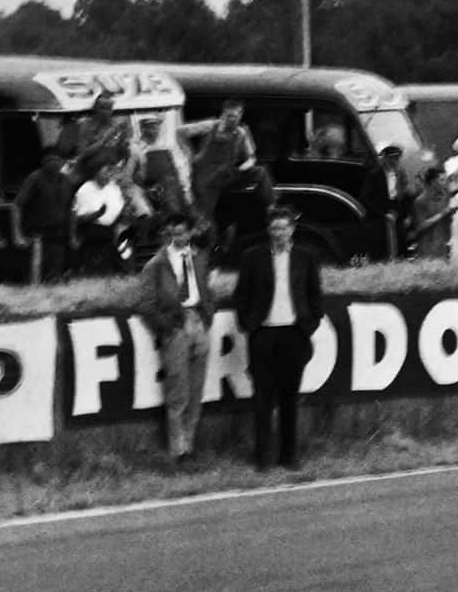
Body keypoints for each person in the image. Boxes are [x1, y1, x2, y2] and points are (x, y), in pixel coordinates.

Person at [233, 204, 324, 470]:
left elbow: (315, 295)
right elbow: (242, 294)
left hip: (294, 333)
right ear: (268, 230)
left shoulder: (306, 257)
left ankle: (289, 454)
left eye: (283, 228)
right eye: (274, 228)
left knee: (289, 397)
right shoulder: (253, 257)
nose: (279, 233)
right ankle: (263, 456)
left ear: (292, 230)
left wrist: (310, 324)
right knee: (262, 397)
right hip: (263, 333)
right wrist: (248, 324)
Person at [136, 212, 218, 462]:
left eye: (182, 232)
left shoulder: (199, 259)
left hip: (197, 321)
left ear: (191, 232)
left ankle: (189, 444)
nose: (178, 237)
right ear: (167, 234)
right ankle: (177, 448)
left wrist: (206, 317)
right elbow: (146, 304)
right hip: (176, 324)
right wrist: (167, 328)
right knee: (177, 390)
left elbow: (207, 292)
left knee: (196, 387)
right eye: (173, 233)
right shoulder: (156, 264)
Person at [184, 99, 257, 250]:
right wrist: (190, 154)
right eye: (230, 115)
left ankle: (209, 246)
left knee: (207, 213)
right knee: (200, 211)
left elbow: (251, 157)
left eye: (236, 116)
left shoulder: (241, 133)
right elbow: (180, 132)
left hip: (223, 174)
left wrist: (243, 167)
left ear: (241, 115)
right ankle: (202, 245)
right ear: (223, 114)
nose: (233, 119)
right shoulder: (210, 126)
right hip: (202, 173)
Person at [14, 149, 76, 283]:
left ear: (63, 162)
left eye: (58, 160)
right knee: (36, 272)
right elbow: (17, 205)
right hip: (38, 234)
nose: (54, 163)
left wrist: (72, 235)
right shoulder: (35, 178)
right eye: (51, 160)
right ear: (44, 161)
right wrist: (17, 234)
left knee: (55, 274)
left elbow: (71, 209)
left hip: (59, 234)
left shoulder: (66, 180)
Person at [411, 166, 455, 260]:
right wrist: (442, 214)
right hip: (427, 246)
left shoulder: (446, 195)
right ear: (432, 182)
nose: (445, 183)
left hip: (442, 244)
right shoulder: (420, 201)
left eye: (445, 179)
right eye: (442, 180)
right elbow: (420, 226)